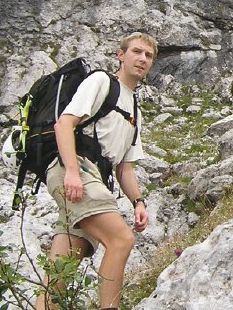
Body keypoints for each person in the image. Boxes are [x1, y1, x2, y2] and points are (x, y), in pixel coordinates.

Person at [36, 32, 157, 310]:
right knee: (121, 239)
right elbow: (64, 124)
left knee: (61, 272)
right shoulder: (101, 81)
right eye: (136, 52)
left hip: (95, 178)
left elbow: (124, 168)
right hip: (77, 169)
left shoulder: (134, 109)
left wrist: (138, 202)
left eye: (148, 55)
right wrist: (72, 172)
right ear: (121, 55)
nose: (142, 59)